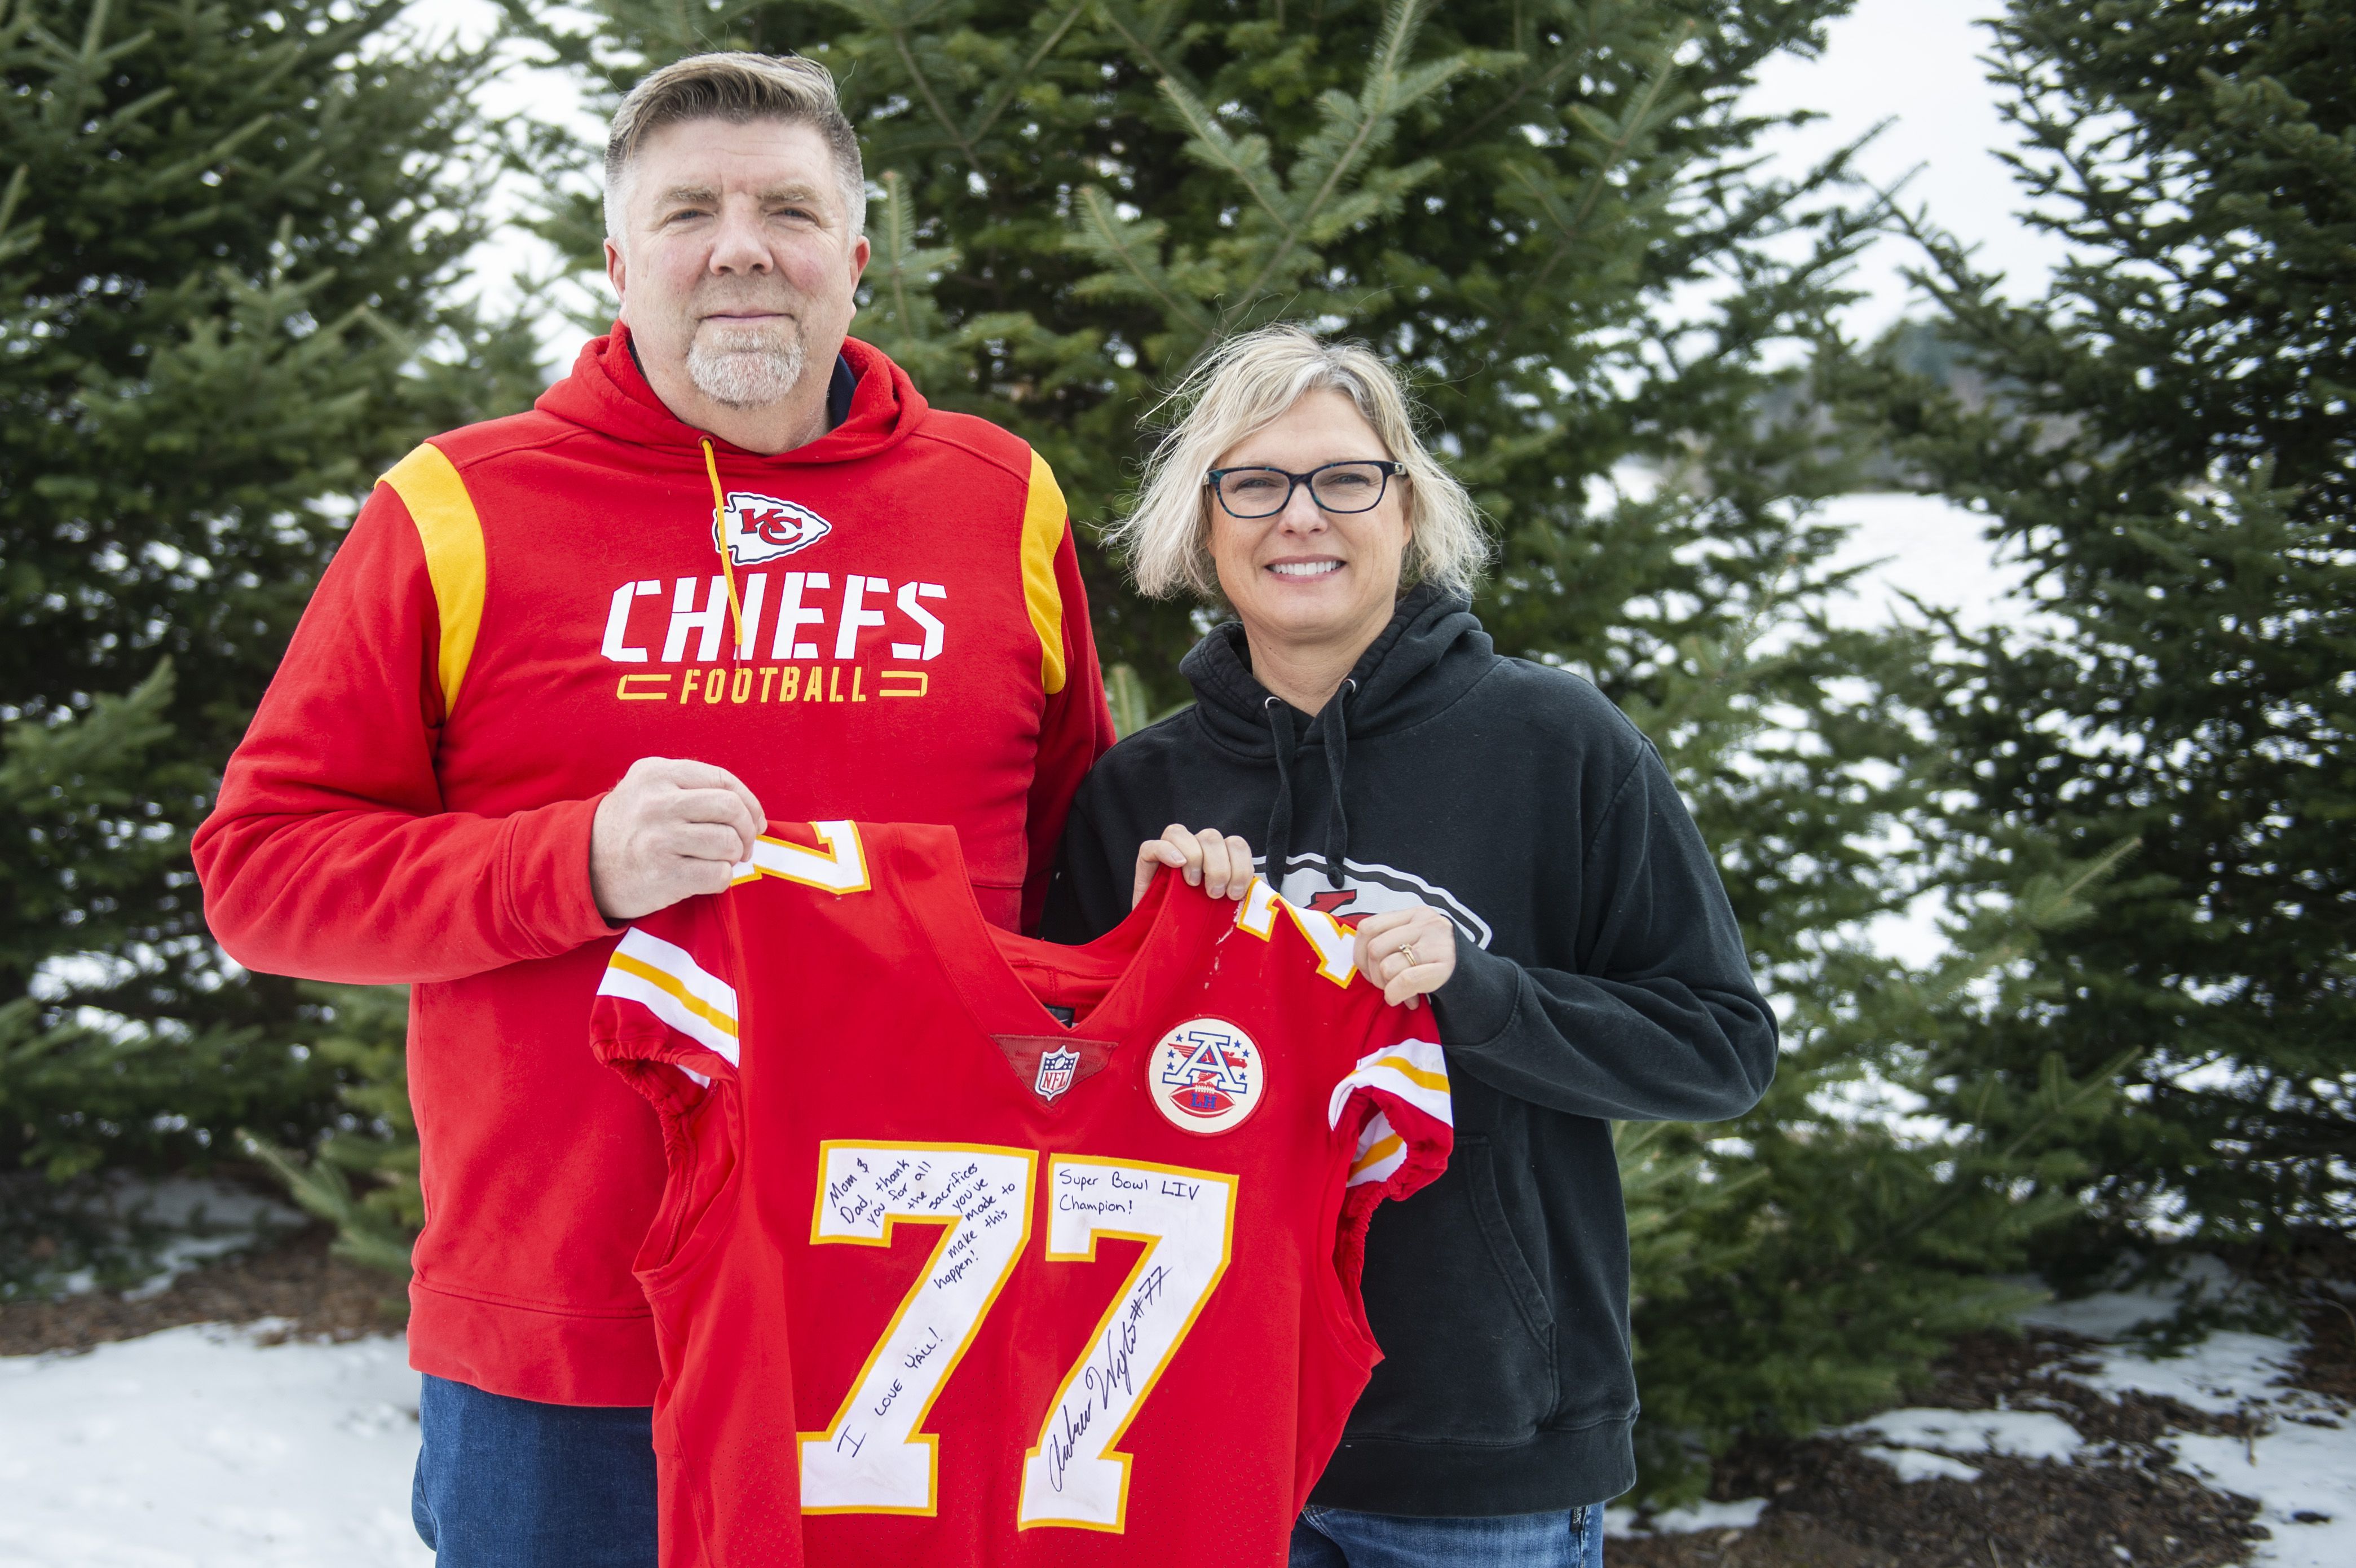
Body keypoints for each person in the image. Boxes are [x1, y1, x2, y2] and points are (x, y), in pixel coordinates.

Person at [192, 52, 1113, 1567]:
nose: (741, 245)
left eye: (788, 209)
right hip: (573, 1332)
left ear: (855, 256)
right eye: (689, 209)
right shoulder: (457, 507)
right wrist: (577, 860)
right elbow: (261, 873)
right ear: (619, 261)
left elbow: (1081, 860)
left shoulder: (998, 499)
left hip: (920, 1301)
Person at [1042, 326, 1777, 1567]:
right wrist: (1133, 968)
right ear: (1204, 522)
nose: (1300, 517)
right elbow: (1039, 1103)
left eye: (1343, 477)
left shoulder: (1557, 742)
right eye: (1254, 484)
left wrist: (1476, 991)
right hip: (1197, 1438)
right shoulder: (1140, 791)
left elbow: (1719, 1048)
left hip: (1477, 1455)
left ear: (1408, 505)